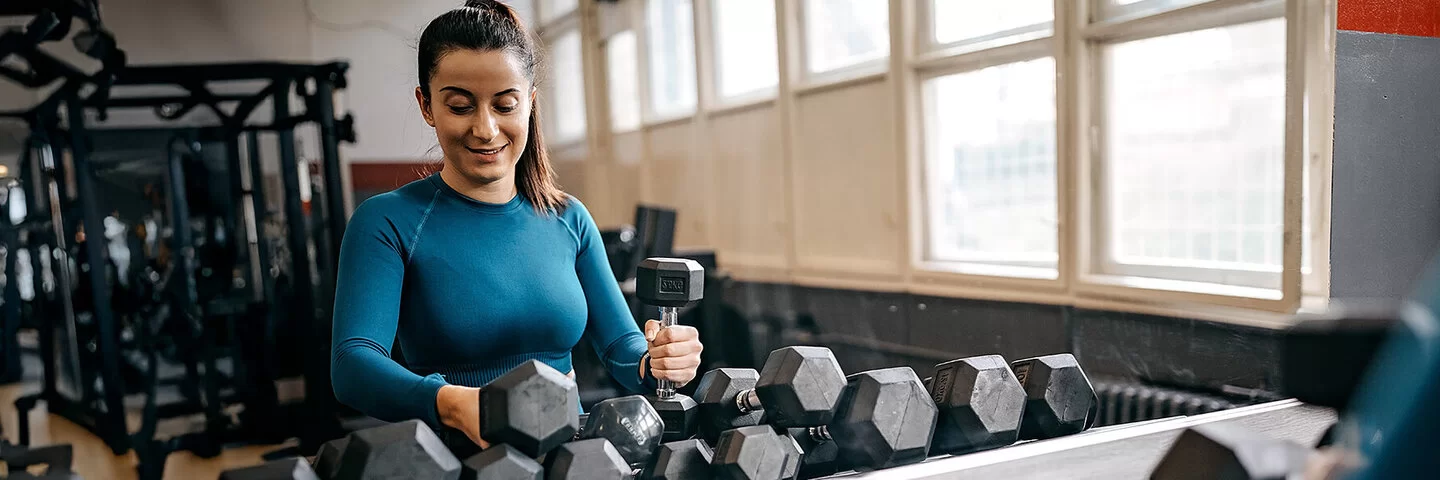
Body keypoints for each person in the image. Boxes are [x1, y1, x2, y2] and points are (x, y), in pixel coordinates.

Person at [329, 0, 703, 455]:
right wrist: (453, 402)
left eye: (504, 104)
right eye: (460, 106)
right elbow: (353, 364)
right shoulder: (388, 221)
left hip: (571, 456)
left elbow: (624, 348)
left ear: (529, 102)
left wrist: (660, 360)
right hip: (456, 456)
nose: (485, 129)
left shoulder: (569, 218)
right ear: (426, 106)